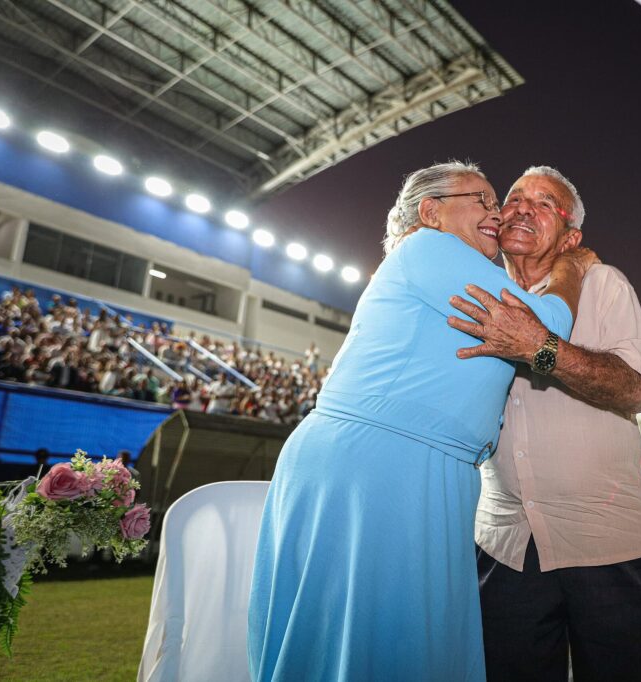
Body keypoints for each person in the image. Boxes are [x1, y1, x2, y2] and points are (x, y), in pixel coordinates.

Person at [247, 161, 595, 682]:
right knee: (384, 632)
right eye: (480, 199)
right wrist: (573, 266)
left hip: (409, 462)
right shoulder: (433, 247)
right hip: (383, 460)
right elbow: (544, 329)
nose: (496, 214)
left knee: (383, 632)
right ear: (430, 211)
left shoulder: (452, 265)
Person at [446, 166, 641, 681]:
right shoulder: (473, 290)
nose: (523, 207)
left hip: (605, 541)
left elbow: (632, 389)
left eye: (545, 203)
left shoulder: (604, 285)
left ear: (572, 238)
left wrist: (541, 349)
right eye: (515, 197)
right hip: (504, 544)